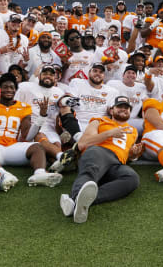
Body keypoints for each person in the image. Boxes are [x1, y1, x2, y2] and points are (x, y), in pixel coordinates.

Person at [59, 96, 143, 224]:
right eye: (119, 106)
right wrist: (109, 133)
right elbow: (83, 143)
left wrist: (133, 154)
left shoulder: (133, 131)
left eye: (126, 108)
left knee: (132, 178)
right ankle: (78, 198)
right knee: (89, 172)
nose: (123, 109)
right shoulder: (99, 121)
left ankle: (78, 202)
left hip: (117, 163)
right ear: (111, 110)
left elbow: (128, 155)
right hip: (99, 152)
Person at [0, 73, 63, 191]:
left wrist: (41, 117)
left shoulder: (24, 107)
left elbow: (28, 136)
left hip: (11, 147)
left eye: (12, 87)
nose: (9, 90)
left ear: (16, 90)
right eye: (5, 87)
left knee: (37, 146)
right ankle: (2, 174)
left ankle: (39, 174)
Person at [14, 65, 68, 169]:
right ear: (39, 76)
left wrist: (63, 130)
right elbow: (16, 105)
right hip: (32, 127)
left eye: (51, 74)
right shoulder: (26, 87)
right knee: (41, 138)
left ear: (55, 77)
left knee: (56, 145)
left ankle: (54, 165)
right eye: (45, 74)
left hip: (50, 128)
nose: (48, 76)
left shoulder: (59, 92)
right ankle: (63, 157)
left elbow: (60, 114)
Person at [66, 63, 119, 140]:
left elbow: (111, 109)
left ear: (104, 75)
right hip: (79, 122)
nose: (98, 74)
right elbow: (68, 97)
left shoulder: (112, 91)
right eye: (95, 71)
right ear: (89, 72)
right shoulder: (78, 83)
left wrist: (112, 111)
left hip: (99, 125)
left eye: (101, 72)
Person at [108, 66, 149, 132]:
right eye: (128, 72)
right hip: (116, 118)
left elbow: (146, 101)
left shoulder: (141, 87)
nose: (131, 75)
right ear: (123, 75)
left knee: (148, 125)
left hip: (132, 119)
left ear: (136, 77)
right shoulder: (113, 84)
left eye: (133, 73)